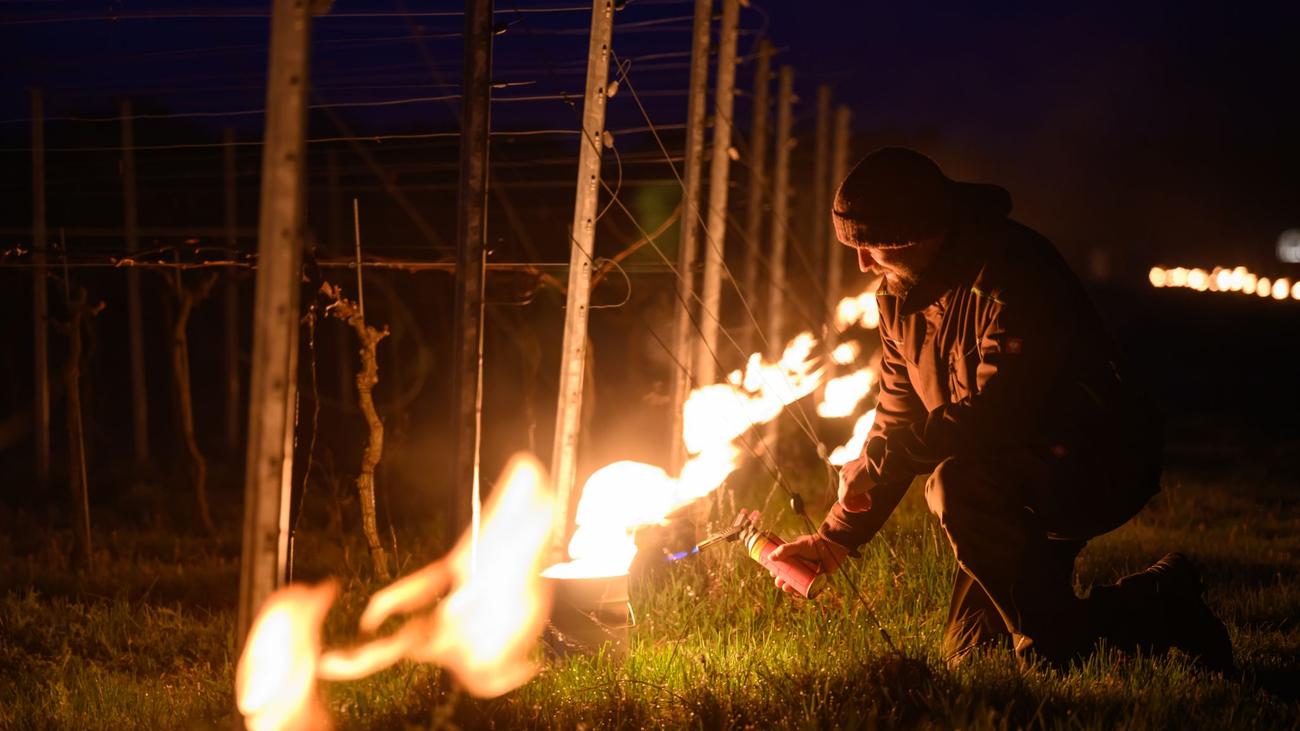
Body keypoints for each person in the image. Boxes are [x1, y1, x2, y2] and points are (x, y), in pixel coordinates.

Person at [768, 147, 1233, 671]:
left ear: (918, 233)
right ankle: (1159, 597)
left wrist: (887, 456)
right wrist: (835, 539)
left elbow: (1001, 415)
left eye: (873, 246)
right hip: (1004, 478)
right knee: (972, 656)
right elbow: (897, 417)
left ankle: (1083, 634)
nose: (863, 262)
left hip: (1089, 462)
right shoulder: (897, 299)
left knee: (955, 487)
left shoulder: (1015, 271)